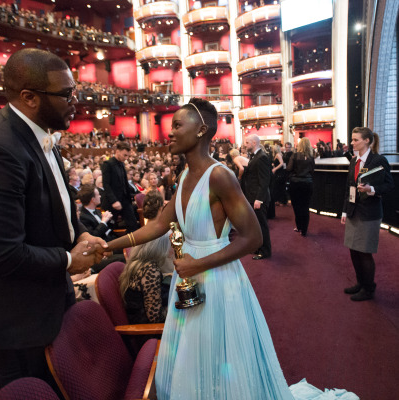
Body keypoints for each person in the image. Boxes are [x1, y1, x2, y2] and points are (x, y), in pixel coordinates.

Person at [100, 98, 358, 399]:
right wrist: (108, 246)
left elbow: (253, 238)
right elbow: (158, 226)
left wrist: (198, 264)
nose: (170, 132)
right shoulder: (183, 177)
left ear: (201, 130)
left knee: (221, 359)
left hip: (219, 282)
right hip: (188, 283)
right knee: (193, 358)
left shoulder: (220, 176)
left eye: (177, 125)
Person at [0, 49, 107, 389]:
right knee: (36, 391)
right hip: (15, 314)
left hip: (47, 290)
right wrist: (69, 258)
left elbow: (55, 205)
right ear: (29, 98)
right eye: (67, 94)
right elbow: (1, 254)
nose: (76, 101)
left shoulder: (42, 131)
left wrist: (79, 234)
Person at [341, 127, 394, 301]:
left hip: (369, 213)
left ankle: (369, 289)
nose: (352, 143)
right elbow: (349, 187)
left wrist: (372, 189)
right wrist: (344, 210)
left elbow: (389, 185)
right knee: (354, 251)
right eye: (352, 139)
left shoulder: (378, 160)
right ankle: (360, 283)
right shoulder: (354, 161)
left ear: (367, 141)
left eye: (356, 140)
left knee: (364, 252)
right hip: (354, 211)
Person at [119, 191, 171, 325]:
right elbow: (155, 317)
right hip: (147, 332)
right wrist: (178, 309)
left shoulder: (139, 262)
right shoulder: (150, 271)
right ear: (159, 249)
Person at [243, 134, 272, 259]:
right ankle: (259, 248)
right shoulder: (256, 156)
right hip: (253, 197)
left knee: (262, 226)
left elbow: (265, 181)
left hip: (258, 198)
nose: (245, 145)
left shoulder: (261, 157)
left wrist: (259, 199)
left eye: (247, 142)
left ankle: (265, 251)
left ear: (254, 143)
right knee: (257, 226)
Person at [101, 141, 139, 232]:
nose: (126, 158)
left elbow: (124, 183)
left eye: (128, 156)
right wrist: (114, 201)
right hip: (112, 201)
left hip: (124, 199)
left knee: (133, 224)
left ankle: (130, 244)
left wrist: (135, 194)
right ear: (117, 151)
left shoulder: (122, 164)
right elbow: (106, 184)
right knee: (110, 227)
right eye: (124, 155)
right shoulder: (108, 164)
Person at [287, 138, 315, 237]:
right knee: (305, 206)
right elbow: (312, 171)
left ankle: (299, 226)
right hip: (307, 183)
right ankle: (304, 230)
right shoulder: (311, 157)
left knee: (296, 206)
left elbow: (289, 168)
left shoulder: (294, 155)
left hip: (295, 183)